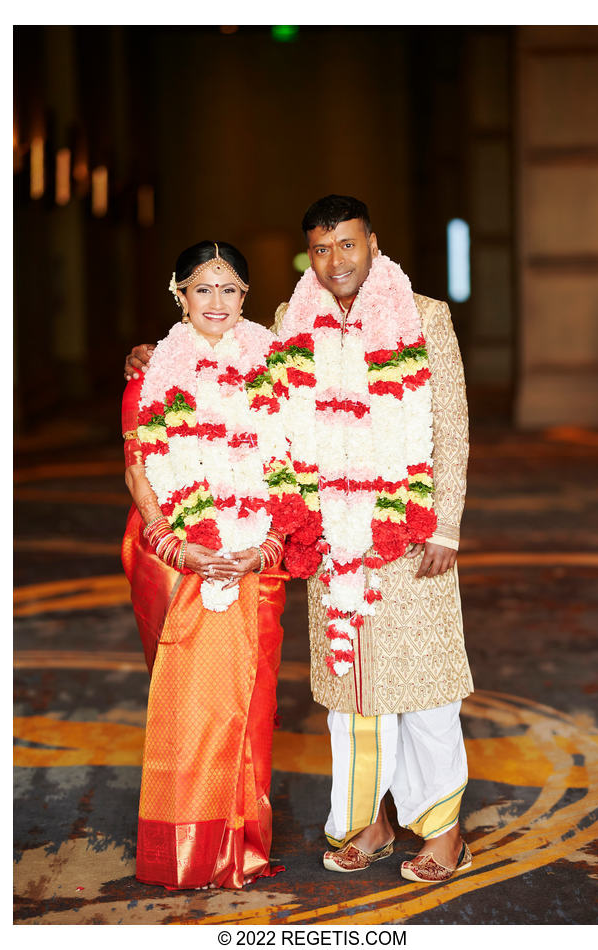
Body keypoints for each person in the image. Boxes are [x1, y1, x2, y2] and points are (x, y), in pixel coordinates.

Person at [124, 196, 474, 884]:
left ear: (373, 244)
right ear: (307, 254)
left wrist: (444, 526)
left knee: (427, 688)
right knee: (347, 693)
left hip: (405, 532)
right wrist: (154, 350)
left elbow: (450, 427)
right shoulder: (290, 320)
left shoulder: (425, 316)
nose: (335, 261)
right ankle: (364, 821)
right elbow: (223, 355)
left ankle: (443, 831)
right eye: (321, 248)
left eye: (347, 245)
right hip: (325, 538)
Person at [121, 240, 307, 891]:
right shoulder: (151, 374)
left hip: (257, 565)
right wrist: (178, 545)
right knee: (193, 708)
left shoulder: (275, 367)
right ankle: (192, 850)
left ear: (247, 298)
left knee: (251, 709)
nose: (217, 302)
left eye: (229, 289)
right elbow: (140, 466)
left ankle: (243, 846)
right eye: (204, 288)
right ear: (179, 294)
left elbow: (296, 465)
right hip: (185, 565)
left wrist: (267, 545)